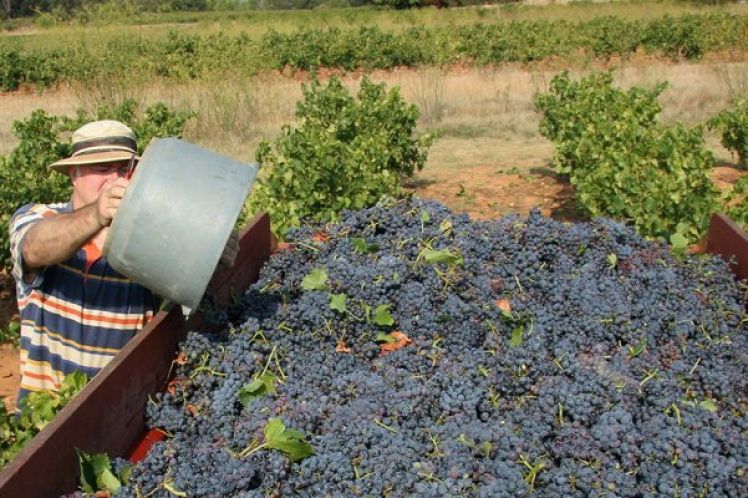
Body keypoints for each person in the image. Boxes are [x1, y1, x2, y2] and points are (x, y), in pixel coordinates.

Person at [8, 120, 239, 404]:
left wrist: (212, 254)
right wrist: (97, 214)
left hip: (115, 416)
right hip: (43, 419)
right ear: (73, 174)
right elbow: (34, 248)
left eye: (124, 170)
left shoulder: (151, 240)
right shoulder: (36, 217)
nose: (116, 180)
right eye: (102, 169)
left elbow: (189, 285)